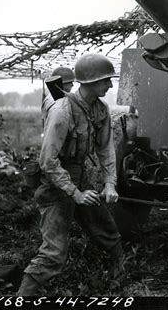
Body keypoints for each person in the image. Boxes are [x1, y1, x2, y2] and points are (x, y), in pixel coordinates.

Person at [18, 54, 123, 296]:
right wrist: (75, 194)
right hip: (54, 183)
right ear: (89, 82)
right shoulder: (62, 111)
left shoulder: (100, 108)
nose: (109, 85)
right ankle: (22, 297)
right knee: (54, 253)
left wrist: (109, 183)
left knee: (105, 226)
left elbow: (106, 149)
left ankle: (123, 269)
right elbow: (48, 162)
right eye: (106, 80)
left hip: (79, 176)